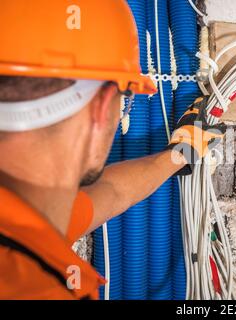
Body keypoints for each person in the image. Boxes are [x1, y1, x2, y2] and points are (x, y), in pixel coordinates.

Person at [0, 0, 224, 299]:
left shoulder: (31, 215)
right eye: (125, 101)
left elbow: (111, 191)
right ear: (103, 108)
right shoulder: (37, 288)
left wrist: (179, 154)